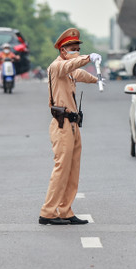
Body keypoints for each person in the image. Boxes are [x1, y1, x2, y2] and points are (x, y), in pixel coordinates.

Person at [39, 28, 99, 226]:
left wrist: (97, 79)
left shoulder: (69, 70)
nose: (76, 52)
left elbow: (80, 73)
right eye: (72, 49)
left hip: (73, 124)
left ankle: (65, 210)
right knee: (61, 168)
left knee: (73, 170)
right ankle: (48, 212)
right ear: (63, 50)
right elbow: (72, 65)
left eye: (78, 49)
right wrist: (88, 58)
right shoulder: (57, 67)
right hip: (62, 123)